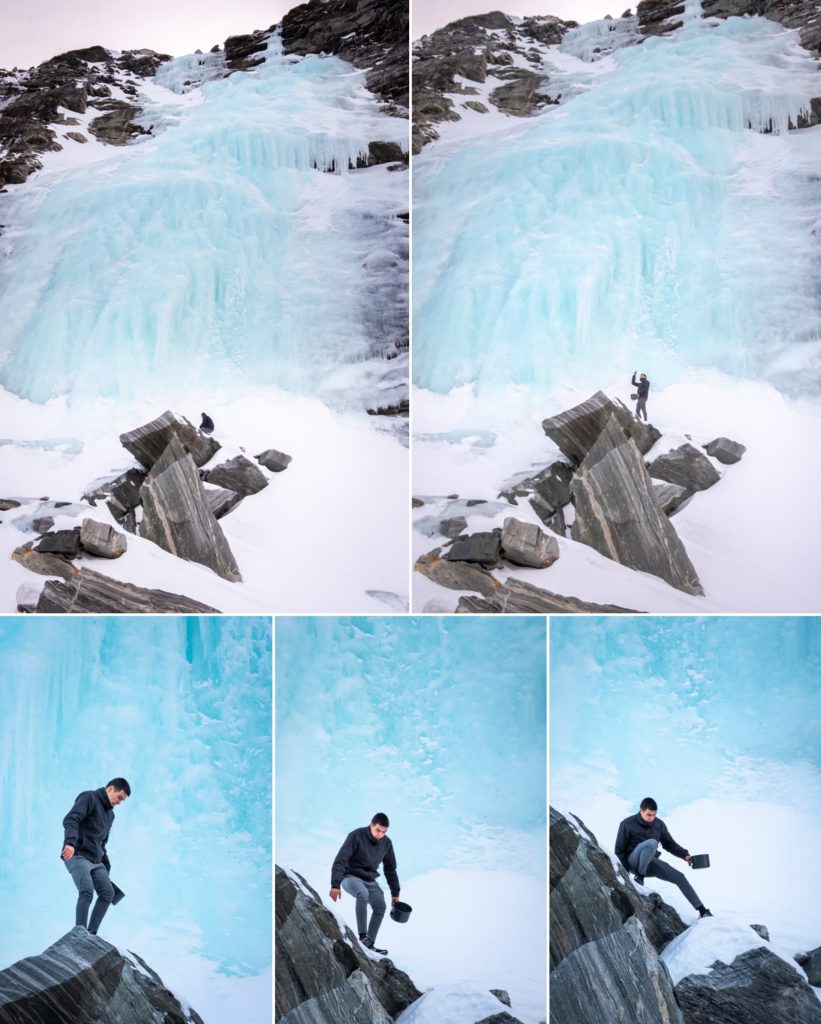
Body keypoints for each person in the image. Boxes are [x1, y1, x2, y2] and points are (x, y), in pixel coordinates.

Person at [615, 797, 712, 919]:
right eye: (648, 815)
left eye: (654, 815)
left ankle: (703, 911)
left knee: (679, 877)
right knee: (652, 843)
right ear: (641, 811)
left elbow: (669, 844)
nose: (651, 818)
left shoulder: (659, 824)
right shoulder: (627, 824)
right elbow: (619, 851)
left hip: (649, 862)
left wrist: (685, 855)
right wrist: (625, 875)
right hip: (632, 861)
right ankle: (639, 876)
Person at [61, 778, 130, 935]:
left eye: (122, 800)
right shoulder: (89, 797)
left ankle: (91, 935)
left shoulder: (110, 815)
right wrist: (70, 842)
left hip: (96, 860)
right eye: (119, 797)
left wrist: (106, 866)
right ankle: (79, 934)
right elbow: (72, 819)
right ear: (110, 789)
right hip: (77, 854)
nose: (120, 802)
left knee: (108, 893)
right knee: (86, 891)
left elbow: (102, 843)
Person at [330, 813, 401, 955]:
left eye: (384, 832)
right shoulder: (356, 835)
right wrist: (335, 884)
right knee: (362, 894)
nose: (380, 835)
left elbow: (390, 870)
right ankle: (362, 938)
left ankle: (369, 943)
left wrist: (395, 893)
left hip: (370, 880)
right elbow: (340, 860)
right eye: (378, 830)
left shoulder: (387, 843)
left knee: (381, 905)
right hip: (350, 877)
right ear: (371, 825)